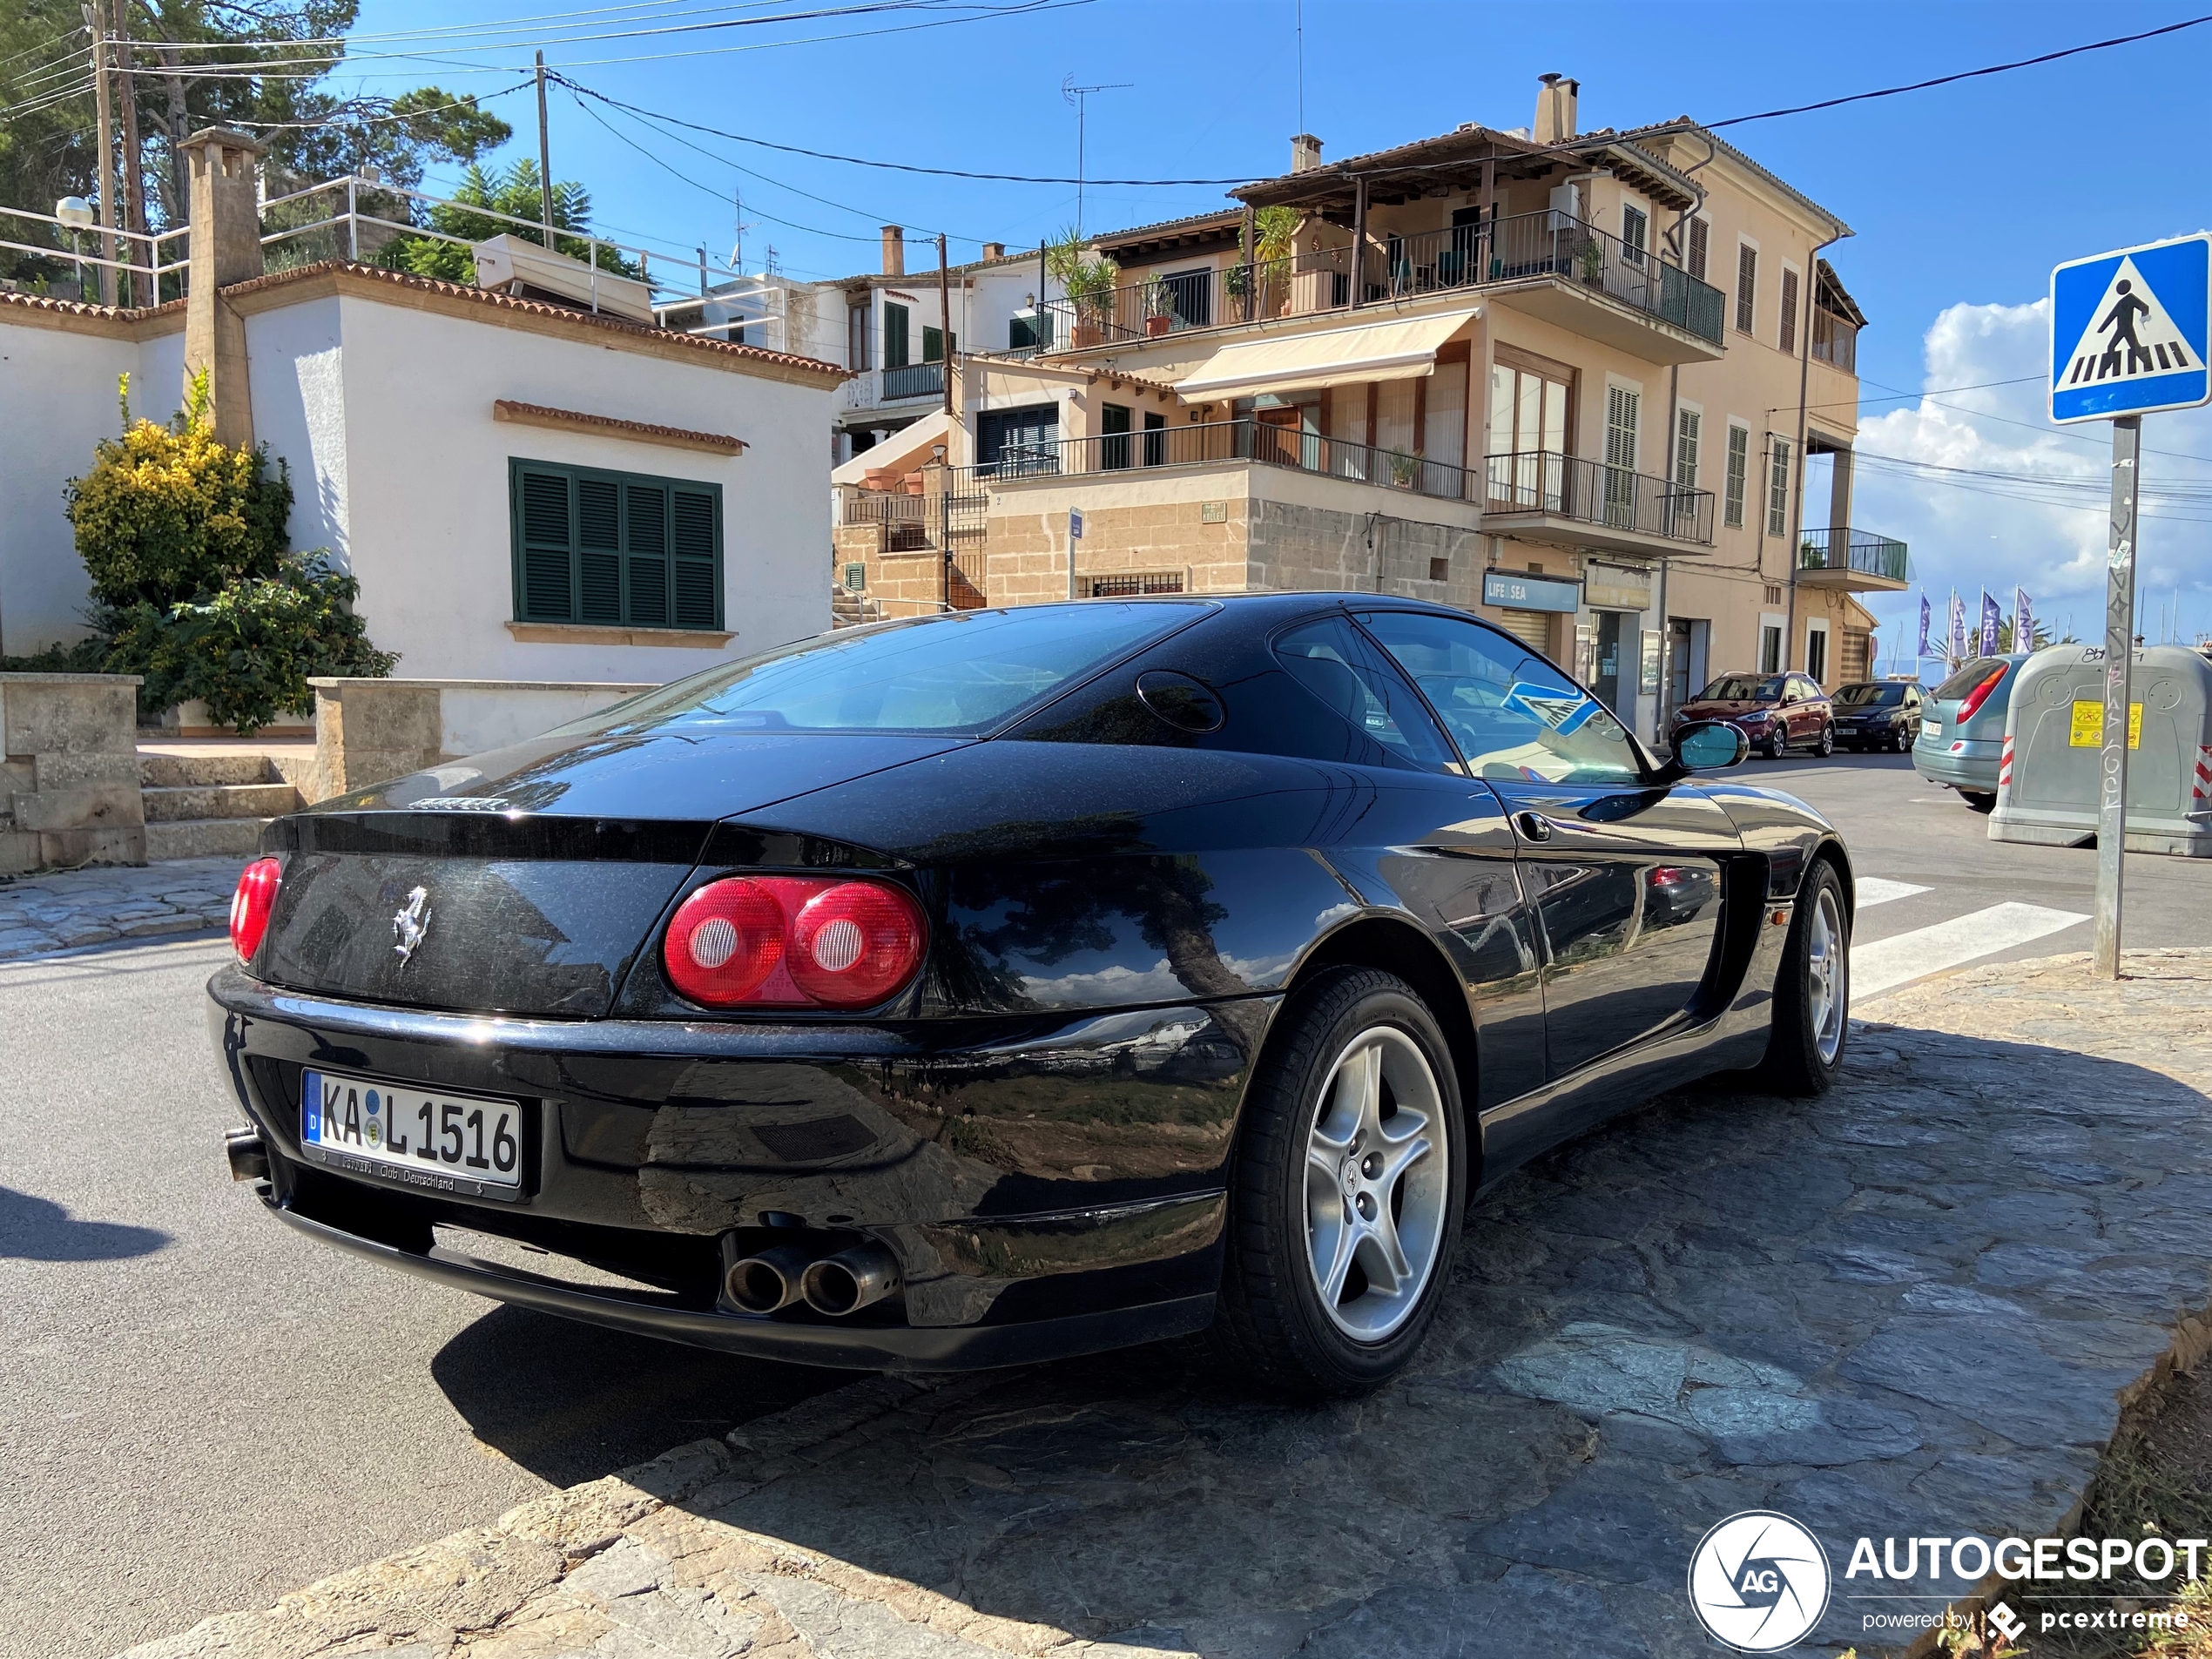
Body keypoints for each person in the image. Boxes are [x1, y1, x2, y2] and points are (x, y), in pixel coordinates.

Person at [2097, 279, 2153, 377]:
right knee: (2111, 346)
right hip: (2120, 330)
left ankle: (2148, 364)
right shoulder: (2120, 302)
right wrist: (2101, 329)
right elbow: (2112, 316)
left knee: (2135, 347)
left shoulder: (2131, 298)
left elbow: (2144, 306)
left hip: (2127, 329)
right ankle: (2110, 365)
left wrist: (2144, 316)